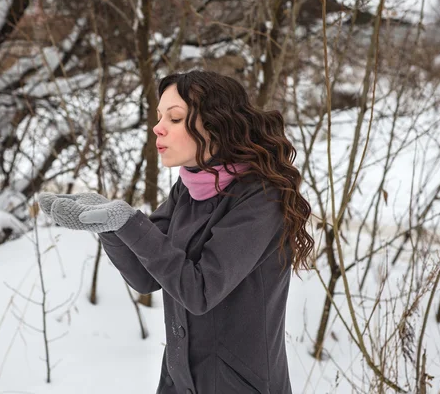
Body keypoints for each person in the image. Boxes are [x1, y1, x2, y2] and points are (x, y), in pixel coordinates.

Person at [38, 70, 314, 394]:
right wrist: (109, 225)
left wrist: (128, 221)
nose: (158, 127)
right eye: (159, 116)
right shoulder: (189, 186)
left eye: (176, 117)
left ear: (215, 125)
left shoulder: (261, 199)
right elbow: (146, 276)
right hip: (179, 382)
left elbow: (200, 290)